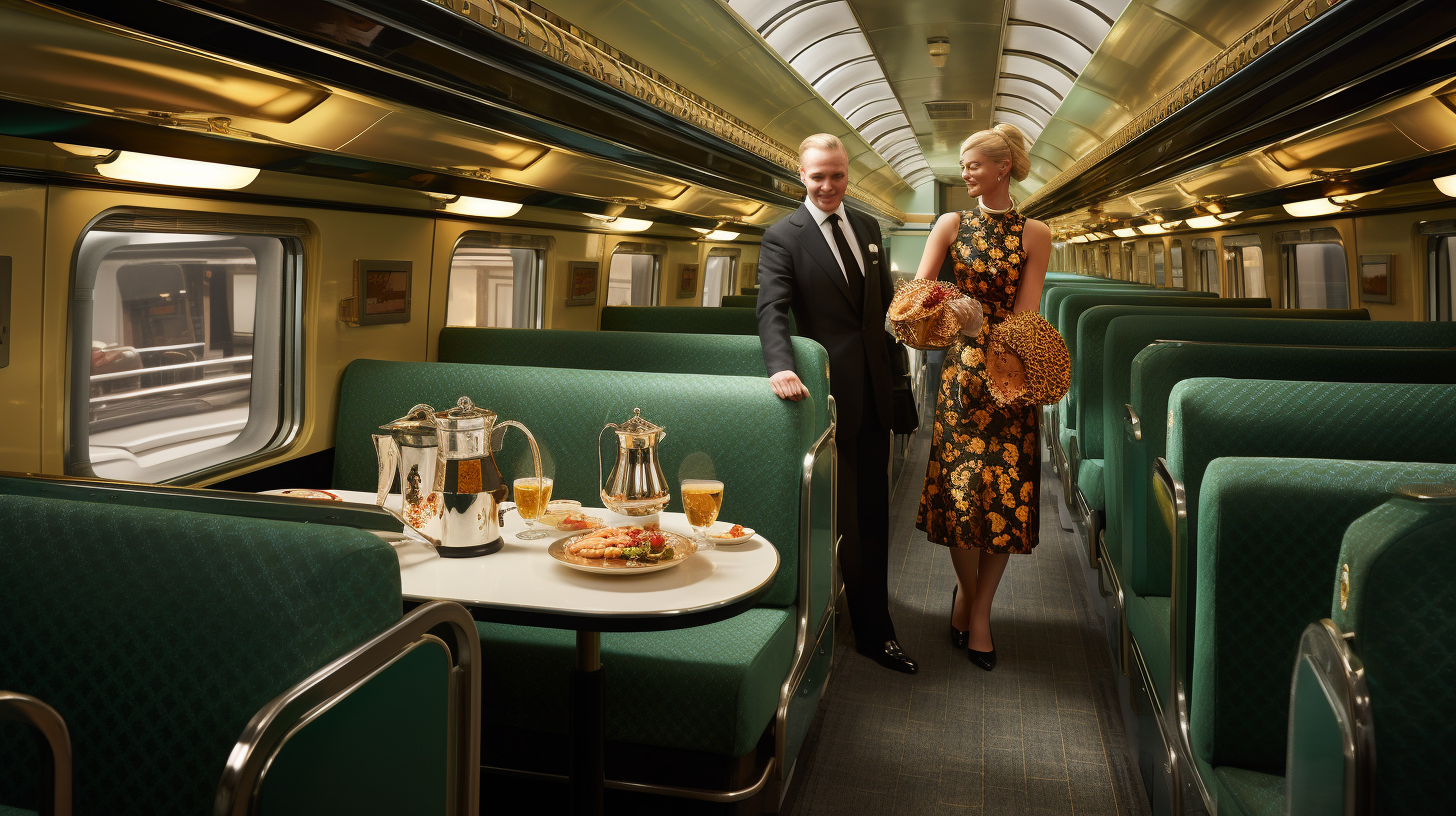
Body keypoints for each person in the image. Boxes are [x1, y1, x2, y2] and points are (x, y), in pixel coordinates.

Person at [757, 133, 916, 674]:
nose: (828, 186)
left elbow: (882, 310)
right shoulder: (783, 236)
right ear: (801, 176)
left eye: (838, 176)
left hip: (875, 392)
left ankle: (876, 623)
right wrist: (780, 364)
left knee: (876, 514)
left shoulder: (869, 228)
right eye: (818, 176)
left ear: (849, 175)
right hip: (827, 396)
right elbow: (772, 309)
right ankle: (854, 618)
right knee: (845, 516)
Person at [913, 124, 1051, 671]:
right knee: (963, 496)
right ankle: (969, 597)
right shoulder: (950, 224)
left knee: (1004, 501)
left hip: (1011, 377)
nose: (964, 173)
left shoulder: (1036, 233)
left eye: (973, 164)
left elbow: (1027, 317)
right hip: (961, 380)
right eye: (964, 165)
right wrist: (954, 318)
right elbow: (917, 299)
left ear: (1003, 167)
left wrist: (985, 330)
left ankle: (979, 610)